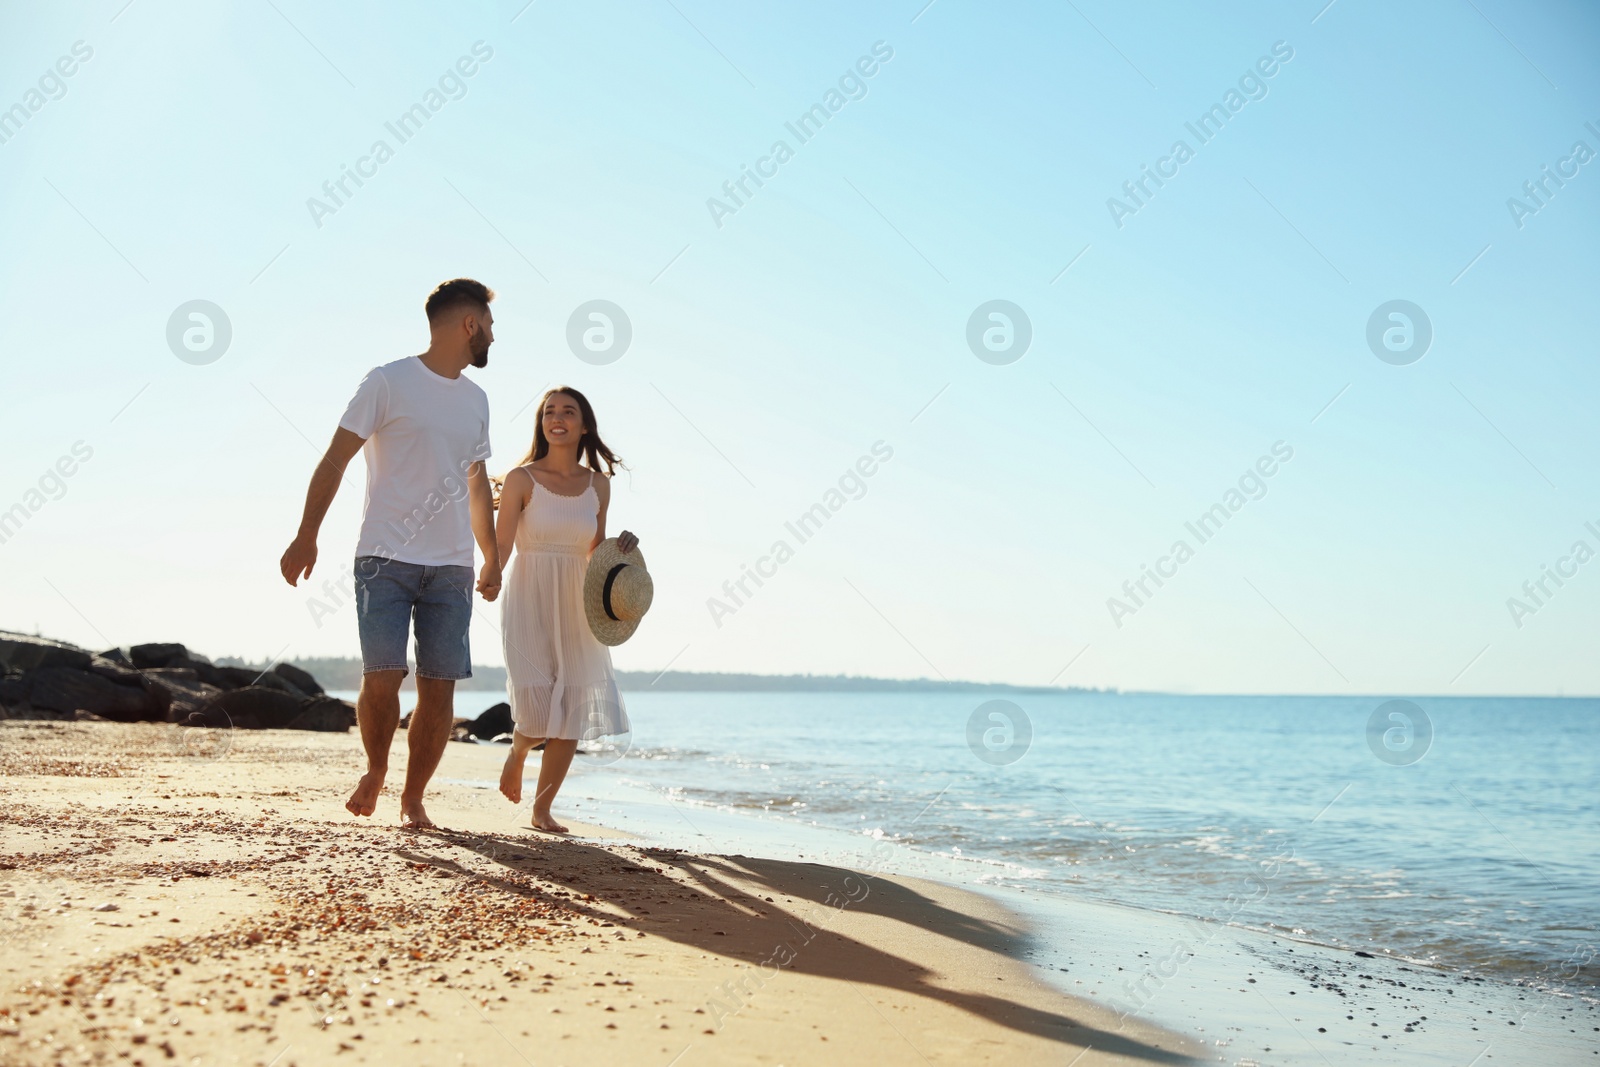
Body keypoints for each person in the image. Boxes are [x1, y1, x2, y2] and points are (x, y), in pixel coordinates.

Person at [279, 278, 502, 829]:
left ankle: (412, 798)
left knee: (439, 687)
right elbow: (335, 458)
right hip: (384, 557)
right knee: (382, 676)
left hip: (452, 566)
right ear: (469, 324)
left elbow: (477, 487)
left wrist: (491, 555)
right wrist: (307, 533)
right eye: (490, 325)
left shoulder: (477, 401)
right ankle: (376, 769)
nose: (494, 336)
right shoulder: (386, 382)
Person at [495, 386, 635, 832]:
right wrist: (489, 574)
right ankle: (517, 751)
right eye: (549, 412)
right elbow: (500, 547)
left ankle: (541, 810)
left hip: (578, 599)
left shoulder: (598, 485)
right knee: (536, 711)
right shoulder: (521, 479)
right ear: (542, 424)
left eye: (568, 412)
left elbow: (595, 554)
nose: (557, 418)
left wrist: (622, 550)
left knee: (573, 705)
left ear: (584, 425)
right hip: (529, 593)